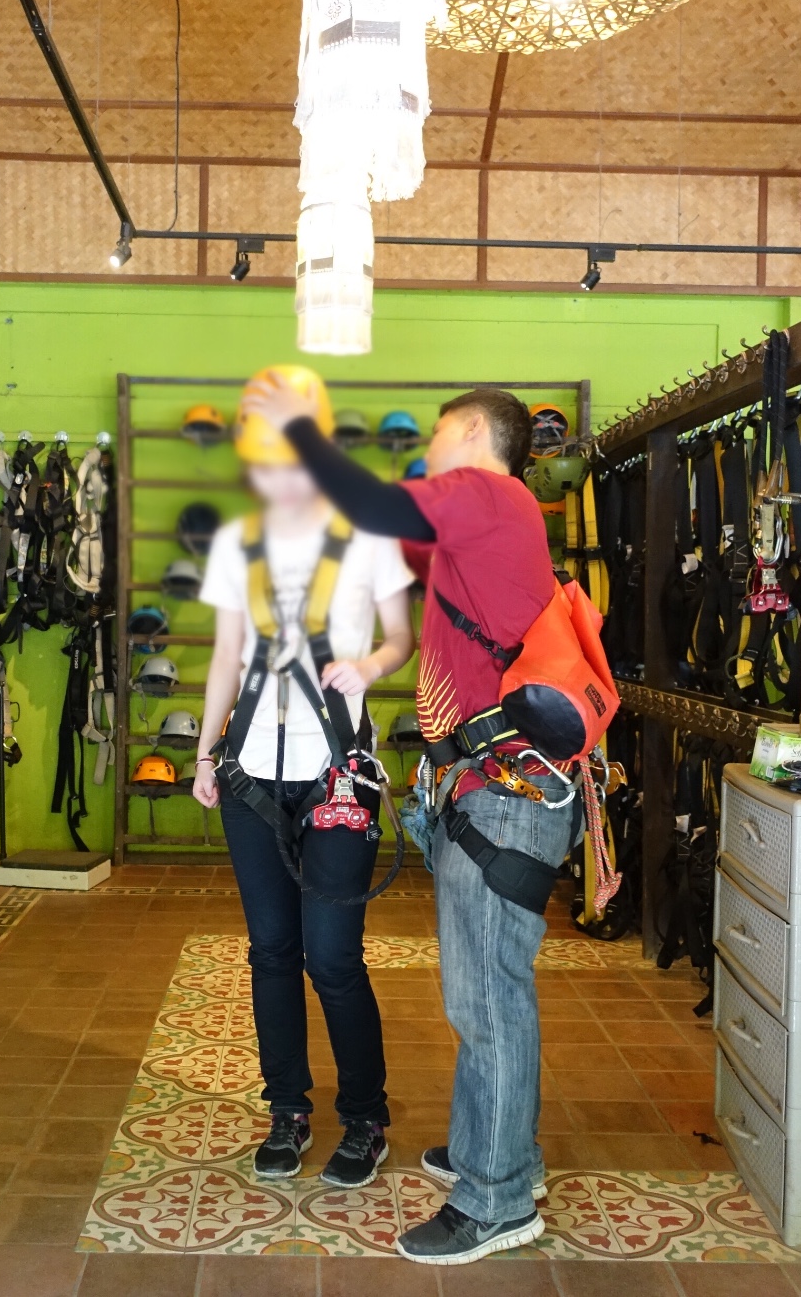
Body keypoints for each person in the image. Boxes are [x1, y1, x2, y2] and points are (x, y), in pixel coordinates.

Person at [240, 380, 565, 1266]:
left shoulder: (487, 492)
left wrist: (298, 432)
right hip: (490, 786)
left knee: (487, 999)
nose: (426, 449)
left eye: (435, 434)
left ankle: (496, 1200)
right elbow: (383, 533)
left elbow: (381, 505)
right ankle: (502, 1149)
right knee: (488, 990)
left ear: (471, 431)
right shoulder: (482, 524)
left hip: (504, 794)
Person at [190, 366, 416, 1188]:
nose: (279, 480)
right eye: (265, 465)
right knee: (272, 951)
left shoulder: (367, 534)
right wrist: (205, 752)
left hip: (337, 775)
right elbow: (226, 654)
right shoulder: (237, 542)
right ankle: (287, 1107)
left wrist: (370, 665)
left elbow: (401, 637)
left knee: (333, 955)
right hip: (251, 773)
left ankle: (365, 1115)